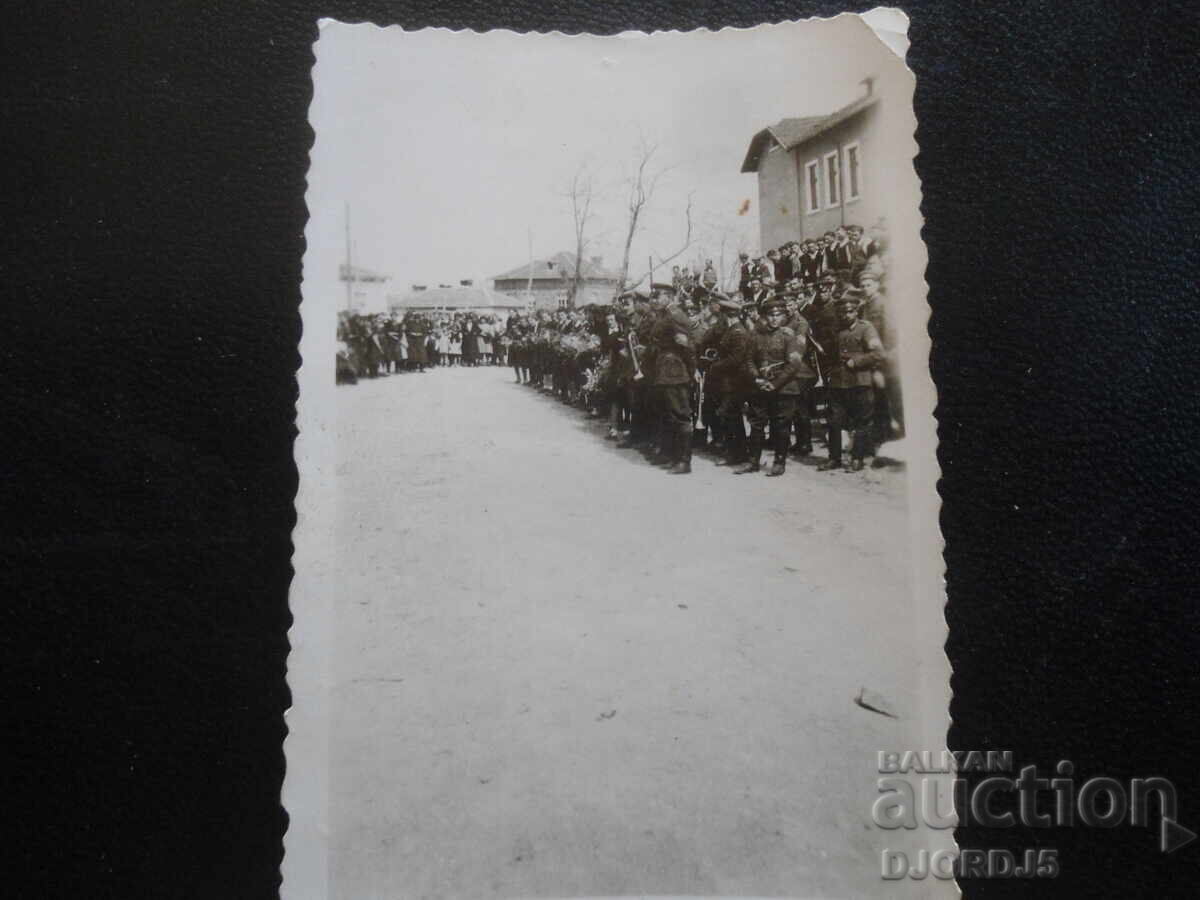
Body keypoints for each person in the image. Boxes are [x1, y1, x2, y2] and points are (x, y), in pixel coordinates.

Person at [735, 298, 812, 477]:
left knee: (781, 425)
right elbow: (748, 360)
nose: (774, 319)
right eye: (771, 315)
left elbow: (793, 365)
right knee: (756, 424)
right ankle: (753, 461)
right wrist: (756, 379)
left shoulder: (789, 336)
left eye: (778, 315)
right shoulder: (755, 336)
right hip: (760, 387)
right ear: (764, 316)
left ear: (784, 316)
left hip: (784, 388)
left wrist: (774, 384)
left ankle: (779, 462)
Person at [820, 291, 884, 472]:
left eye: (849, 312)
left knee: (862, 422)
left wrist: (856, 361)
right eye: (842, 312)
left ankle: (858, 458)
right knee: (834, 421)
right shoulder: (835, 330)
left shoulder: (866, 328)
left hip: (860, 382)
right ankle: (834, 458)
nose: (845, 315)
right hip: (838, 383)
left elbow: (878, 353)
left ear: (856, 311)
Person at [647, 283, 696, 474]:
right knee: (668, 415)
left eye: (657, 296)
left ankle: (684, 461)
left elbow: (687, 347)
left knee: (680, 416)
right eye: (653, 296)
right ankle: (672, 455)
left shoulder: (676, 316)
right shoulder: (665, 315)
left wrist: (691, 373)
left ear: (669, 296)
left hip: (676, 373)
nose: (654, 300)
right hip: (664, 372)